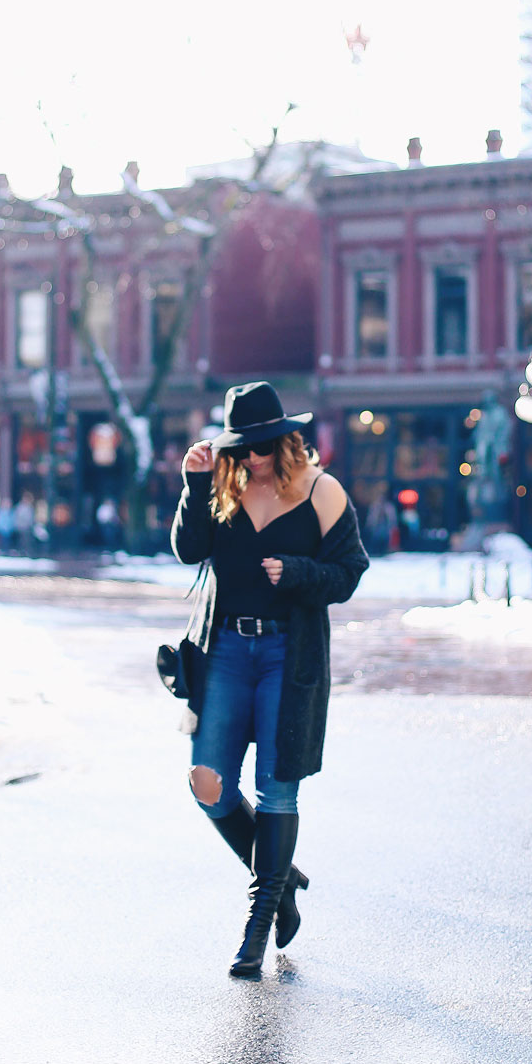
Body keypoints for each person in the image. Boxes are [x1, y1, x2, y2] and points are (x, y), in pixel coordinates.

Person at [170, 380, 369, 978]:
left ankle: (261, 922)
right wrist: (194, 482)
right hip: (227, 649)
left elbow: (349, 571)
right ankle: (281, 881)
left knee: (277, 788)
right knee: (207, 782)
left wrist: (299, 572)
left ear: (284, 440)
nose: (253, 457)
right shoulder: (222, 489)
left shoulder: (320, 490)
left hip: (290, 654)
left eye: (262, 445)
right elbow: (187, 550)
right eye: (242, 446)